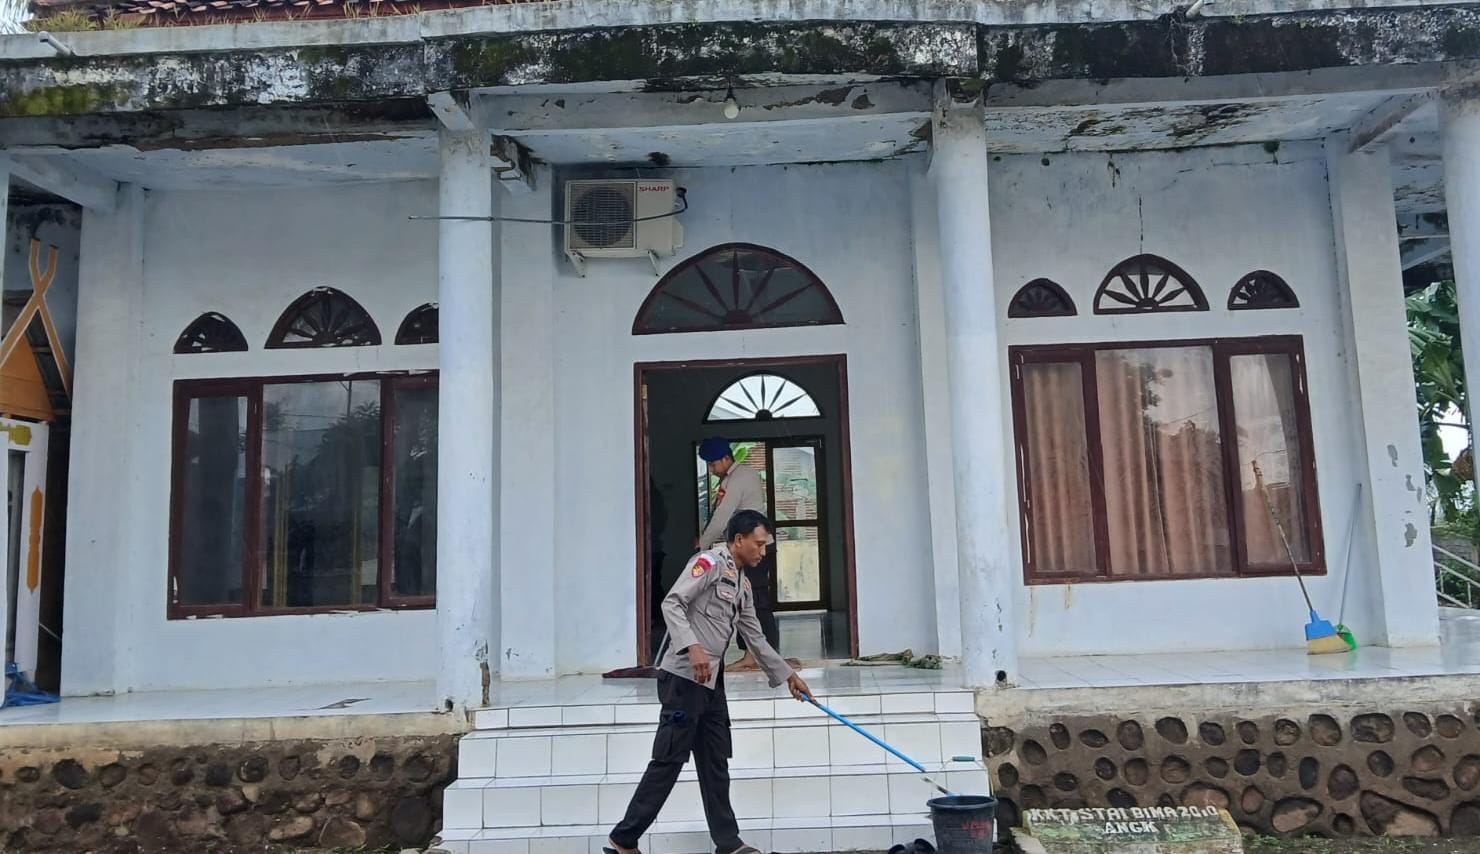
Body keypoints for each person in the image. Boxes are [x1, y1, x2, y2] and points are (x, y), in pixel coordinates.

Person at [607, 510, 811, 854]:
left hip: (711, 684)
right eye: (759, 544)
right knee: (669, 760)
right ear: (739, 540)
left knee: (715, 761)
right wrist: (692, 646)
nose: (763, 552)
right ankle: (623, 839)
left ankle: (728, 842)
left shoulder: (742, 584)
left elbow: (756, 638)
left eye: (765, 546)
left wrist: (788, 675)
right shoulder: (708, 564)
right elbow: (672, 603)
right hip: (683, 680)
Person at [696, 437, 777, 670]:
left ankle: (762, 656)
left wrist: (703, 544)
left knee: (757, 599)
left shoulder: (740, 478)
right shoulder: (733, 478)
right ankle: (752, 654)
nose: (712, 470)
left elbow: (722, 516)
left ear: (725, 458)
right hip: (744, 548)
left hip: (755, 548)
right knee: (744, 599)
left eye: (713, 464)